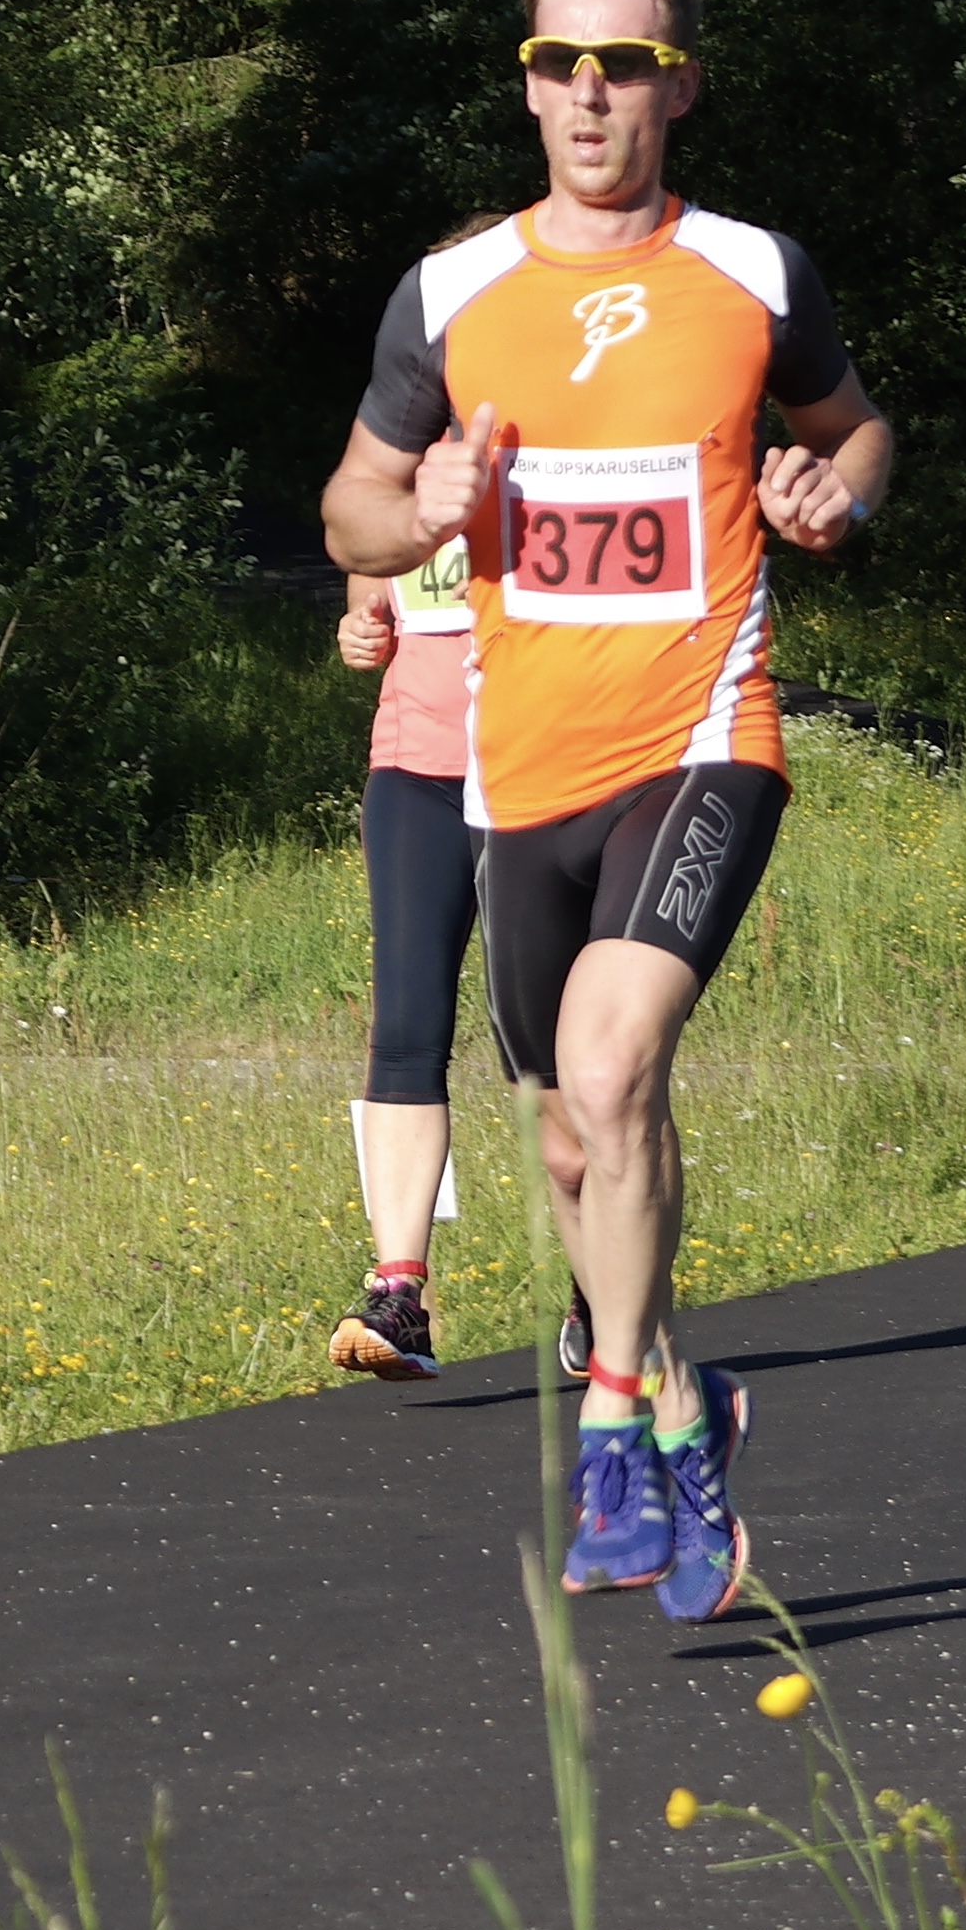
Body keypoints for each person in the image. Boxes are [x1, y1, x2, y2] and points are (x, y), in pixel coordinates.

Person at [321, 0, 892, 1620]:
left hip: (703, 737)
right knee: (572, 1140)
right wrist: (410, 515)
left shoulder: (752, 273)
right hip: (518, 774)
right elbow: (347, 505)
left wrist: (838, 494)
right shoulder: (451, 295)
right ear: (527, 86)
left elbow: (854, 425)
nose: (588, 91)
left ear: (678, 85)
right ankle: (689, 1402)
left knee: (611, 1058)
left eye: (623, 62)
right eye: (557, 61)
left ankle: (617, 1421)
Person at [324, 523, 598, 1382]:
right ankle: (399, 1294)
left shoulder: (551, 454)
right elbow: (368, 596)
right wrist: (359, 630)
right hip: (416, 772)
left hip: (542, 771)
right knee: (405, 1029)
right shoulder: (400, 477)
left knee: (554, 1052)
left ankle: (605, 1284)